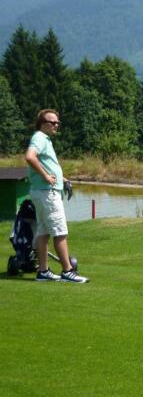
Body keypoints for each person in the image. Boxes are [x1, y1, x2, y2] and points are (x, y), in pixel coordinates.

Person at [25, 109, 89, 283]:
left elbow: (48, 165)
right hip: (47, 192)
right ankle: (67, 271)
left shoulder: (44, 139)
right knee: (60, 232)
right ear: (42, 123)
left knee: (44, 232)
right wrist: (46, 176)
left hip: (44, 192)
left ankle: (43, 271)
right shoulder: (39, 137)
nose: (55, 125)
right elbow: (30, 157)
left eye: (57, 122)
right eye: (52, 122)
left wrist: (64, 180)